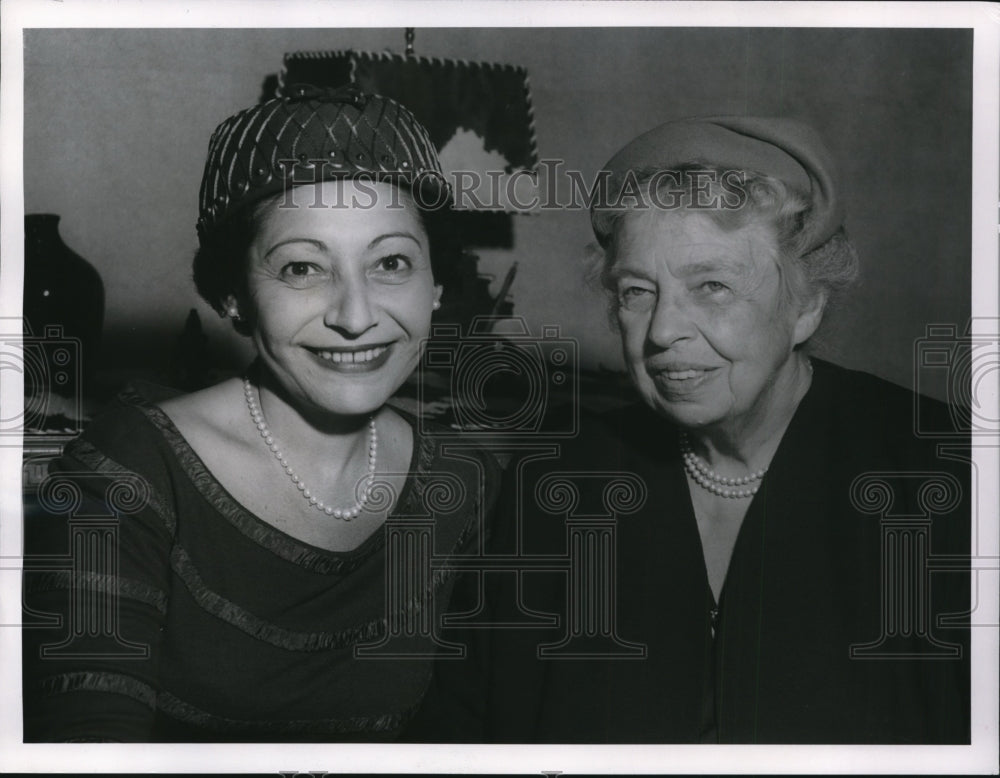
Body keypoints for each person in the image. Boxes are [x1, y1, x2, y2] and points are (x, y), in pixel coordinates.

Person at [414, 116, 970, 743]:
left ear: (806, 304)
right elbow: (462, 729)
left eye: (712, 286)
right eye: (636, 292)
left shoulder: (944, 472)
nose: (660, 332)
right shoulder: (558, 481)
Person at [22, 85, 499, 742]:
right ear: (234, 296)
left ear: (437, 285)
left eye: (391, 262)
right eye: (303, 268)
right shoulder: (125, 476)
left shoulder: (462, 484)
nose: (356, 317)